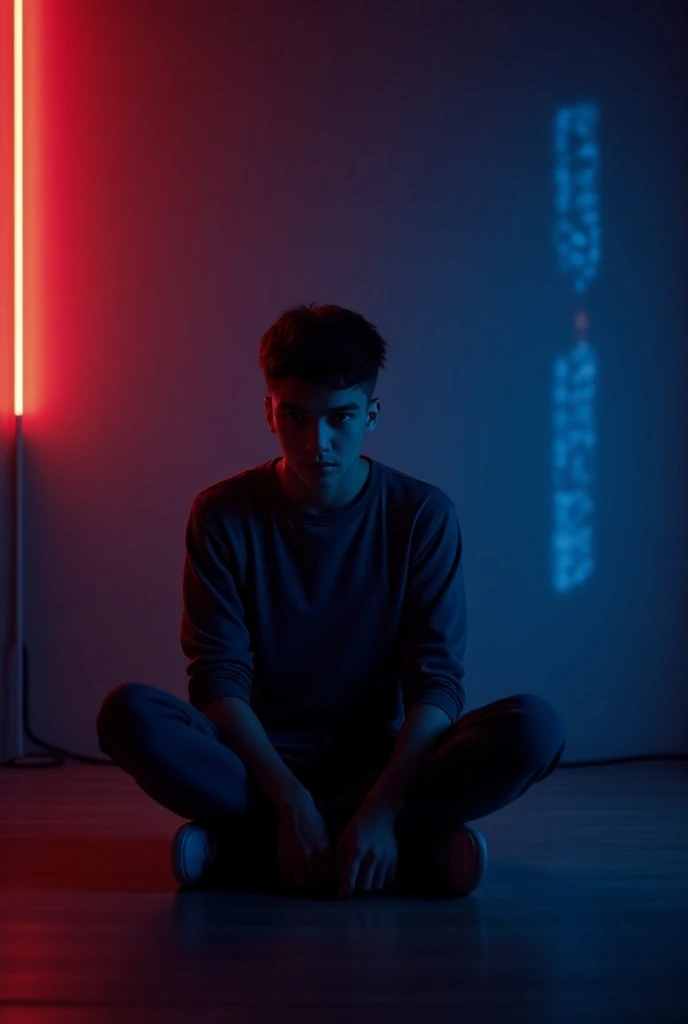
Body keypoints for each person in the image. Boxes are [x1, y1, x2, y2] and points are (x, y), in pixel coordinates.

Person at [96, 302, 566, 900]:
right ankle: (400, 854)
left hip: (382, 761)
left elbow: (436, 681)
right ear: (269, 412)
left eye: (340, 418)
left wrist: (381, 804)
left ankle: (249, 853)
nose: (318, 441)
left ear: (371, 414)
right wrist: (291, 800)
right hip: (257, 765)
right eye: (295, 416)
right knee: (128, 716)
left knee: (534, 728)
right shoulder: (221, 514)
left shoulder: (421, 515)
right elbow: (218, 678)